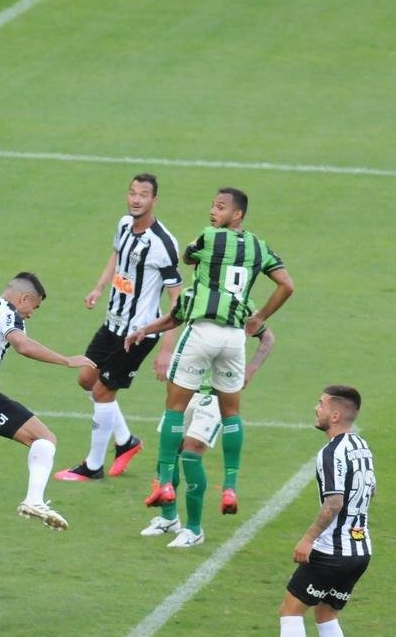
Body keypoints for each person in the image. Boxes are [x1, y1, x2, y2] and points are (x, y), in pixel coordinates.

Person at [126, 187, 294, 515]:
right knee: (233, 413)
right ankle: (230, 486)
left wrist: (195, 249)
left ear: (237, 214)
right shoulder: (259, 247)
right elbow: (287, 285)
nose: (212, 212)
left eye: (220, 207)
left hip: (203, 331)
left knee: (174, 409)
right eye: (212, 206)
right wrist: (259, 317)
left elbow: (187, 258)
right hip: (234, 337)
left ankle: (165, 483)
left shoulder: (209, 237)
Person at [0, 272, 96, 580]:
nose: (31, 314)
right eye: (33, 308)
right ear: (24, 298)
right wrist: (66, 360)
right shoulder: (9, 313)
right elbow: (22, 345)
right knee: (44, 438)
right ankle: (34, 499)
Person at [251, 386, 374, 637]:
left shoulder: (331, 453)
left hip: (331, 550)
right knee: (326, 613)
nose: (315, 409)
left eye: (320, 404)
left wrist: (308, 538)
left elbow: (333, 503)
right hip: (360, 549)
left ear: (335, 414)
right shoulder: (361, 445)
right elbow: (369, 492)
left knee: (290, 611)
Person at [53, 173, 181, 482]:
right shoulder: (124, 225)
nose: (137, 199)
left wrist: (166, 349)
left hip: (139, 332)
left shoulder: (162, 244)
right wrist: (99, 288)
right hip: (112, 322)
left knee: (102, 391)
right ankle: (126, 441)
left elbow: (178, 302)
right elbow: (117, 255)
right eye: (133, 193)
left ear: (155, 200)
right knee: (86, 378)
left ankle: (93, 466)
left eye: (144, 195)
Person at [143, 326, 275, 547]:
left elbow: (268, 338)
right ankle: (168, 518)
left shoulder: (237, 307)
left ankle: (194, 529)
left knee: (191, 453)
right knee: (168, 451)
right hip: (184, 389)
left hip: (216, 396)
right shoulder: (199, 302)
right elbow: (174, 320)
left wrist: (250, 370)